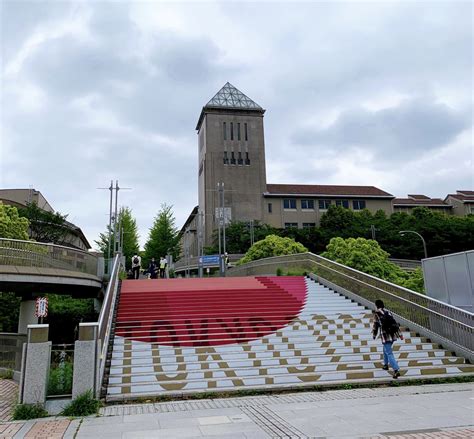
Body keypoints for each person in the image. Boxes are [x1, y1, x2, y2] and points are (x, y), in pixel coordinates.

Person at [372, 299, 403, 379]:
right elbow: (394, 323)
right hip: (392, 335)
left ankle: (396, 370)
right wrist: (400, 334)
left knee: (389, 353)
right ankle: (385, 365)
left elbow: (375, 326)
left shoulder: (377, 313)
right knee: (385, 349)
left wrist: (374, 335)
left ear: (376, 305)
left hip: (385, 336)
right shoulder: (388, 312)